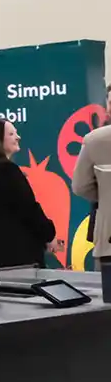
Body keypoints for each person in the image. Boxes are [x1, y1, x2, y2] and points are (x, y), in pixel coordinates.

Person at [0, 119, 61, 267]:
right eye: (11, 134)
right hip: (18, 260)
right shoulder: (5, 171)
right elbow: (28, 209)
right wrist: (49, 234)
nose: (18, 137)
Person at [72, 115, 111, 290]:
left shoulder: (95, 140)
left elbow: (80, 186)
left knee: (107, 303)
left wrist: (105, 197)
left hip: (108, 241)